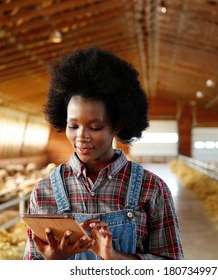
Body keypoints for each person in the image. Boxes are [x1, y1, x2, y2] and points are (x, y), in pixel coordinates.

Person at [23, 46, 184, 260]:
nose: (81, 137)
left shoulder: (152, 189)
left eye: (95, 127)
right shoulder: (44, 191)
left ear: (117, 126)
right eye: (73, 126)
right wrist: (53, 263)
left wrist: (115, 257)